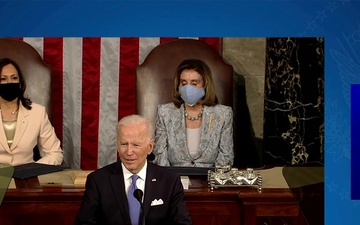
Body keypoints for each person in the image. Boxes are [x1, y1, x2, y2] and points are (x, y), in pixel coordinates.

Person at [75, 114, 192, 225]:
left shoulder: (169, 181)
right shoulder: (98, 181)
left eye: (136, 145)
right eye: (124, 144)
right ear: (117, 145)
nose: (129, 152)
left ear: (150, 147)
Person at [153, 59, 234, 168]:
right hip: (174, 178)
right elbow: (160, 156)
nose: (188, 88)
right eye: (184, 83)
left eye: (194, 83)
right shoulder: (165, 112)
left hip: (209, 179)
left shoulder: (223, 114)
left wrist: (211, 182)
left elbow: (226, 157)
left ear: (205, 84)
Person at [0, 57, 63, 166]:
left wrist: (33, 169)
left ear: (20, 82)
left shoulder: (38, 113)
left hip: (27, 177)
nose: (9, 82)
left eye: (14, 78)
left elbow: (55, 153)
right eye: (3, 79)